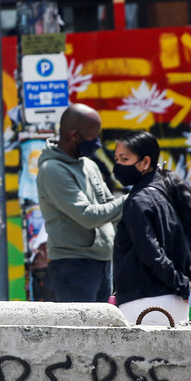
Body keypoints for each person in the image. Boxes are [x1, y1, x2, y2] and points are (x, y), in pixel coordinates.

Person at [111, 130, 191, 326]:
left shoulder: (137, 201)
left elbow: (151, 254)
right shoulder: (175, 191)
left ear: (145, 162)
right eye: (116, 159)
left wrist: (184, 286)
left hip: (142, 302)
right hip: (180, 304)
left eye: (124, 159)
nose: (118, 166)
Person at [36, 103, 126, 302]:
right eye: (93, 136)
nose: (97, 142)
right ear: (74, 135)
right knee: (81, 331)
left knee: (103, 329)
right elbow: (87, 216)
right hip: (73, 265)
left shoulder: (88, 164)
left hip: (102, 261)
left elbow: (109, 206)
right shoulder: (52, 170)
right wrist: (133, 197)